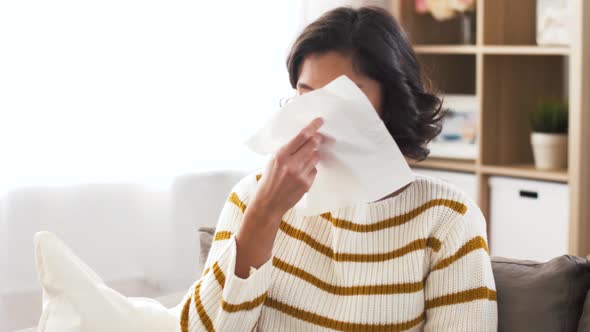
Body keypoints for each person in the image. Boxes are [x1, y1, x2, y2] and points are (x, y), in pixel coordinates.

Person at [180, 6, 497, 332]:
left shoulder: (448, 220)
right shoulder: (253, 197)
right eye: (306, 97)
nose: (318, 118)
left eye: (341, 99)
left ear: (392, 103)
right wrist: (265, 213)